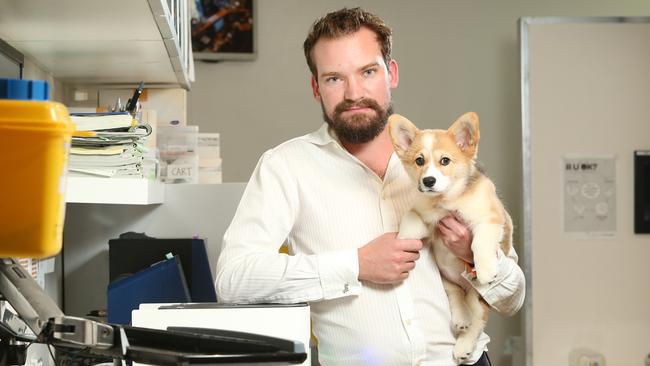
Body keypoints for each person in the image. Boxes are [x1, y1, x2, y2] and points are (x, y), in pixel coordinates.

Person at [216, 7, 525, 366]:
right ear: (316, 87)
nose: (353, 92)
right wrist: (355, 265)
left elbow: (512, 299)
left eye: (367, 71)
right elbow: (234, 280)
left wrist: (473, 255)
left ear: (390, 73)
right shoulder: (286, 167)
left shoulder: (446, 165)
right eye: (334, 78)